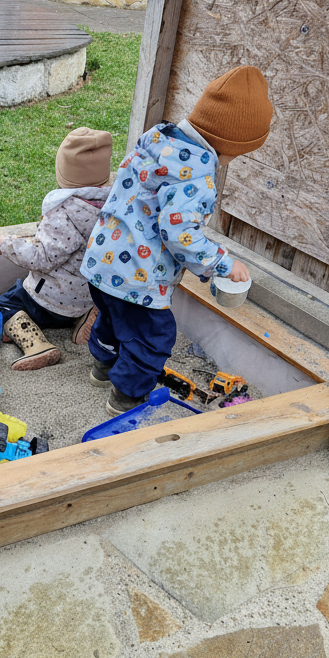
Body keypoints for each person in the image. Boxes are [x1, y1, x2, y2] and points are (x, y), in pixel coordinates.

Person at [80, 66, 271, 415]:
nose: (231, 161)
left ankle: (102, 368)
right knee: (153, 336)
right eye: (237, 153)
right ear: (228, 142)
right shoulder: (198, 175)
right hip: (139, 275)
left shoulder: (157, 140)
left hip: (102, 257)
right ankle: (126, 396)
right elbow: (179, 233)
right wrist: (222, 263)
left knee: (111, 317)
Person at [0, 127, 113, 370]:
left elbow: (42, 257)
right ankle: (84, 319)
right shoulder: (112, 206)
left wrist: (5, 245)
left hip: (50, 299)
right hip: (89, 294)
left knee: (5, 305)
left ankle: (36, 345)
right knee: (76, 302)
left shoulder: (63, 212)